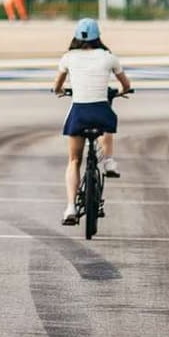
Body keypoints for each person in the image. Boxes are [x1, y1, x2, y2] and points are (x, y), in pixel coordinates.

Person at [53, 17, 131, 226]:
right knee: (107, 118)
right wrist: (122, 91)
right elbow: (126, 84)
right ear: (98, 37)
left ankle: (70, 207)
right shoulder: (109, 57)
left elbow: (57, 85)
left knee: (74, 161)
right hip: (100, 111)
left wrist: (60, 91)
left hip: (79, 113)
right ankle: (108, 160)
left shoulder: (68, 57)